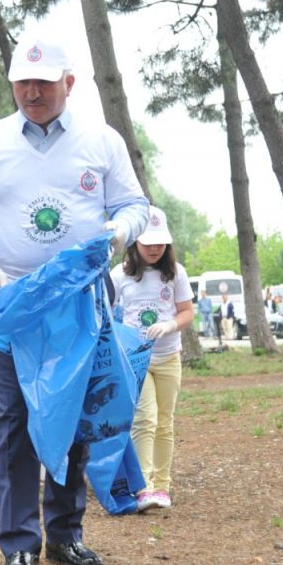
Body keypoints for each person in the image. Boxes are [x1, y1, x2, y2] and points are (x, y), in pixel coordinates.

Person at [0, 30, 148, 565]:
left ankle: (64, 534)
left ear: (69, 83)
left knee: (72, 418)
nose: (31, 92)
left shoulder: (101, 141)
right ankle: (19, 545)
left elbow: (134, 203)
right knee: (15, 419)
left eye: (42, 82)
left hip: (83, 304)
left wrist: (118, 232)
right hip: (11, 304)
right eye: (21, 83)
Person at [109, 207, 194, 512]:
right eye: (148, 243)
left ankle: (163, 485)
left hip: (169, 356)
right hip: (136, 359)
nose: (155, 248)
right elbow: (104, 309)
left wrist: (170, 325)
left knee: (165, 422)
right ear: (134, 244)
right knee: (145, 419)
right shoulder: (120, 275)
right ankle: (143, 486)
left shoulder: (176, 273)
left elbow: (186, 312)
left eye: (160, 243)